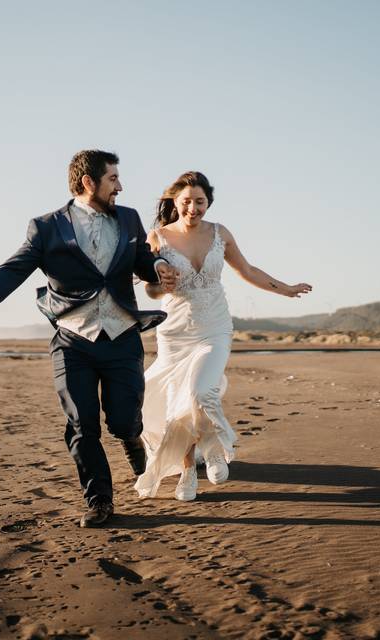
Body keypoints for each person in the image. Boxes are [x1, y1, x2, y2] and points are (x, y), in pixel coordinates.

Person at [0, 150, 178, 527]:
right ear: (88, 182)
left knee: (123, 420)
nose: (120, 187)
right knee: (81, 424)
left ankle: (132, 438)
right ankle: (100, 500)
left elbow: (140, 256)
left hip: (122, 333)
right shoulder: (46, 228)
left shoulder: (129, 218)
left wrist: (156, 265)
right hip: (73, 341)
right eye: (113, 179)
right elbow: (12, 271)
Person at [134, 171, 311, 501]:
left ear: (208, 202)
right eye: (186, 201)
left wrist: (285, 289)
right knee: (179, 404)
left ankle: (215, 447)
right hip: (175, 334)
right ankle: (189, 469)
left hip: (215, 328)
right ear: (175, 201)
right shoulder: (157, 237)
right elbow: (150, 288)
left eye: (199, 202)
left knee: (201, 391)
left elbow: (246, 270)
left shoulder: (220, 233)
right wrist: (162, 286)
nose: (193, 208)